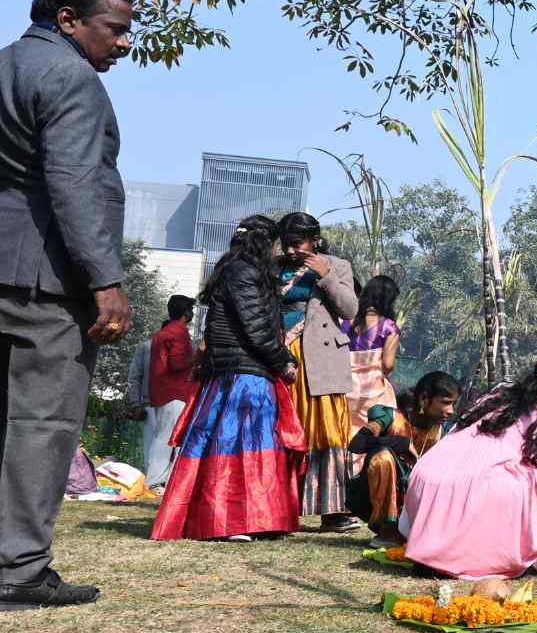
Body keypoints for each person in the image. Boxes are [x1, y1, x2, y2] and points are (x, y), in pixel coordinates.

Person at [0, 0, 133, 609]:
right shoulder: (71, 77)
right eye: (116, 28)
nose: (125, 43)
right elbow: (76, 184)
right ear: (67, 20)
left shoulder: (5, 66)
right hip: (45, 283)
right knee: (42, 424)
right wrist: (104, 280)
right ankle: (20, 570)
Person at [399, 347, 537, 580]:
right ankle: (500, 556)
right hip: (479, 495)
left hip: (427, 478)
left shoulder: (500, 394)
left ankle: (435, 556)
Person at [151, 216, 303, 542]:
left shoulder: (242, 273)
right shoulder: (244, 273)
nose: (281, 250)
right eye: (277, 242)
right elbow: (257, 328)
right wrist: (283, 362)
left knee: (252, 447)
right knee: (238, 446)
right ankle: (232, 521)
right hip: (243, 375)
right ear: (265, 242)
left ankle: (258, 519)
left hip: (243, 371)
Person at [275, 212, 359, 531]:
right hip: (282, 359)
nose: (292, 250)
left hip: (320, 361)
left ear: (315, 240)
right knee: (284, 433)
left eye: (297, 243)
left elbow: (350, 309)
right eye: (287, 244)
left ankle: (333, 511)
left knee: (327, 433)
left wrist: (325, 276)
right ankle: (281, 508)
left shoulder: (337, 266)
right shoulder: (274, 270)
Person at [345, 372, 460, 541]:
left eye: (453, 404)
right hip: (372, 499)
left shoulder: (440, 432)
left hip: (411, 506)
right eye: (445, 403)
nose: (451, 411)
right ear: (424, 399)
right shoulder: (389, 417)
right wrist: (400, 442)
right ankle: (387, 529)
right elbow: (357, 444)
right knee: (382, 457)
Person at [143, 294, 197, 488]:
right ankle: (157, 481)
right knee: (168, 439)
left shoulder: (163, 333)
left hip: (161, 392)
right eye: (190, 310)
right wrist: (199, 356)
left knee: (163, 437)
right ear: (185, 312)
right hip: (176, 392)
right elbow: (177, 363)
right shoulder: (179, 333)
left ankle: (158, 480)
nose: (192, 313)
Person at [343, 274, 401, 432]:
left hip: (344, 385)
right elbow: (388, 365)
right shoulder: (389, 327)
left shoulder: (346, 320)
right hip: (371, 390)